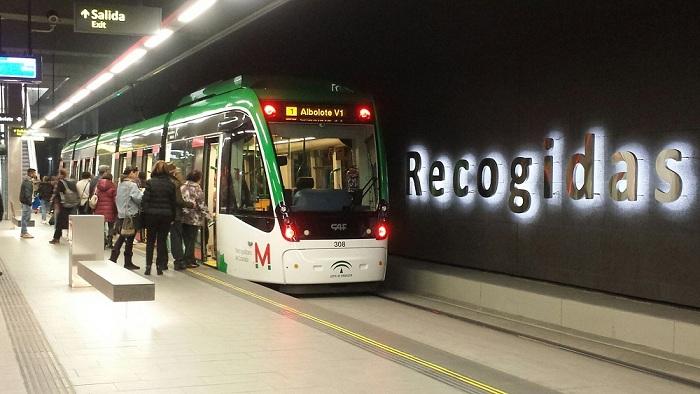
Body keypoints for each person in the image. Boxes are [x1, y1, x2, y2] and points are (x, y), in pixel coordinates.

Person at [141, 161, 177, 275]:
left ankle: (148, 266)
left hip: (151, 216)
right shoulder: (171, 184)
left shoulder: (150, 183)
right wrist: (172, 217)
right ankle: (159, 267)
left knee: (150, 241)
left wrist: (146, 213)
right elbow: (173, 203)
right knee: (161, 241)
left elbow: (145, 201)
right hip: (166, 216)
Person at [110, 167, 142, 270]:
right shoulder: (132, 185)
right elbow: (138, 198)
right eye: (136, 173)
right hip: (131, 215)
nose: (137, 175)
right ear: (131, 173)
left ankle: (114, 257)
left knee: (123, 236)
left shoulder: (120, 184)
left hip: (122, 214)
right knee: (128, 238)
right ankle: (126, 261)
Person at [165, 162, 192, 271]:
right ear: (174, 173)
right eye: (179, 172)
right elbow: (178, 201)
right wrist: (189, 204)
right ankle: (179, 261)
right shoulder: (174, 183)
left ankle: (162, 262)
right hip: (175, 215)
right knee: (176, 237)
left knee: (164, 238)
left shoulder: (164, 181)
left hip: (165, 214)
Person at [180, 170, 207, 270]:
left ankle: (189, 258)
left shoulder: (182, 186)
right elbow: (201, 203)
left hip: (183, 217)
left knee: (186, 239)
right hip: (193, 218)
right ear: (198, 178)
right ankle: (188, 260)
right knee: (192, 239)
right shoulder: (197, 188)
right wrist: (208, 215)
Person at [49, 169, 78, 244]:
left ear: (61, 174)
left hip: (63, 205)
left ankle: (56, 238)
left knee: (59, 222)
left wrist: (55, 204)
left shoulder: (60, 183)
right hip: (72, 204)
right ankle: (73, 237)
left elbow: (57, 194)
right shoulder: (71, 182)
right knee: (71, 221)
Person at [93, 173, 117, 248]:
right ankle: (110, 241)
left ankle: (102, 242)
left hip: (99, 209)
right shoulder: (113, 186)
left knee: (101, 227)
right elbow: (115, 199)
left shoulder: (98, 186)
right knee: (111, 226)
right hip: (111, 209)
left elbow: (95, 196)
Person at [19, 168, 37, 239]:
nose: (35, 175)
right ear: (31, 173)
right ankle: (24, 232)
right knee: (26, 217)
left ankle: (23, 232)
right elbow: (27, 193)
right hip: (26, 202)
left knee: (26, 217)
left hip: (25, 201)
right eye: (34, 173)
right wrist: (30, 202)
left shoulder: (27, 181)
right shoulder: (27, 182)